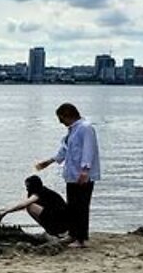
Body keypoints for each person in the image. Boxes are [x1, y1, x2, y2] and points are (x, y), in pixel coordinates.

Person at [34, 102, 100, 248]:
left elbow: (89, 150)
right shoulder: (72, 131)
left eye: (61, 118)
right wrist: (49, 161)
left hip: (82, 175)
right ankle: (73, 234)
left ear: (68, 115)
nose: (60, 122)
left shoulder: (85, 128)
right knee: (73, 206)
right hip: (72, 175)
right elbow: (65, 150)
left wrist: (85, 169)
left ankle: (80, 238)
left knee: (81, 206)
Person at [0, 174, 70, 236]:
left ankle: (54, 232)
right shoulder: (44, 191)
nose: (26, 189)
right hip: (59, 218)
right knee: (30, 207)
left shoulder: (40, 192)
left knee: (30, 207)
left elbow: (24, 204)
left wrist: (5, 212)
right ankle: (52, 231)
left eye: (28, 186)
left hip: (61, 221)